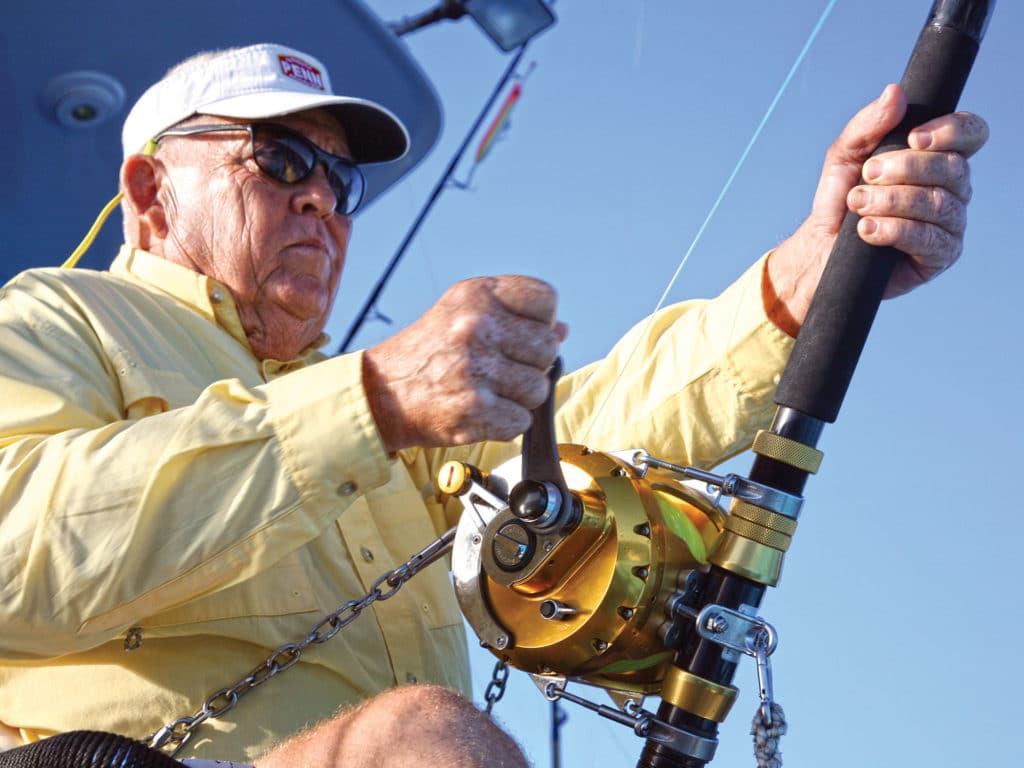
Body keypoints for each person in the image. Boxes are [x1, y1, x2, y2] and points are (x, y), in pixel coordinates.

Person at [0, 42, 986, 767]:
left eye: (341, 178)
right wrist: (373, 399)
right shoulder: (54, 315)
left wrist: (814, 273)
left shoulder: (368, 405)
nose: (322, 202)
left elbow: (586, 443)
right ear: (150, 193)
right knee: (428, 738)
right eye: (281, 160)